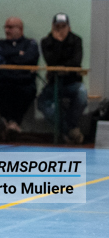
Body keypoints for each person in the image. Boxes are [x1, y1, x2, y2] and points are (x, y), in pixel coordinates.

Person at [37, 13, 87, 144]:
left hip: (73, 82)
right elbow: (51, 61)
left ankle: (69, 127)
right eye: (57, 27)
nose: (60, 30)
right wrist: (58, 43)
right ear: (52, 27)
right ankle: (69, 130)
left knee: (82, 95)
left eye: (63, 26)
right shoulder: (46, 41)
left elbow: (76, 62)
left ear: (69, 27)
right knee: (42, 103)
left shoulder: (76, 40)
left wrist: (61, 67)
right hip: (54, 83)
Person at [0, 17, 39, 140]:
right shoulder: (0, 43)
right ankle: (11, 124)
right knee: (3, 88)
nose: (7, 30)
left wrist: (8, 57)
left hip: (24, 82)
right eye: (6, 27)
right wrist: (18, 54)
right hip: (4, 81)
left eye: (10, 27)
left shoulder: (30, 43)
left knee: (25, 91)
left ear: (20, 29)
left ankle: (11, 123)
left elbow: (29, 58)